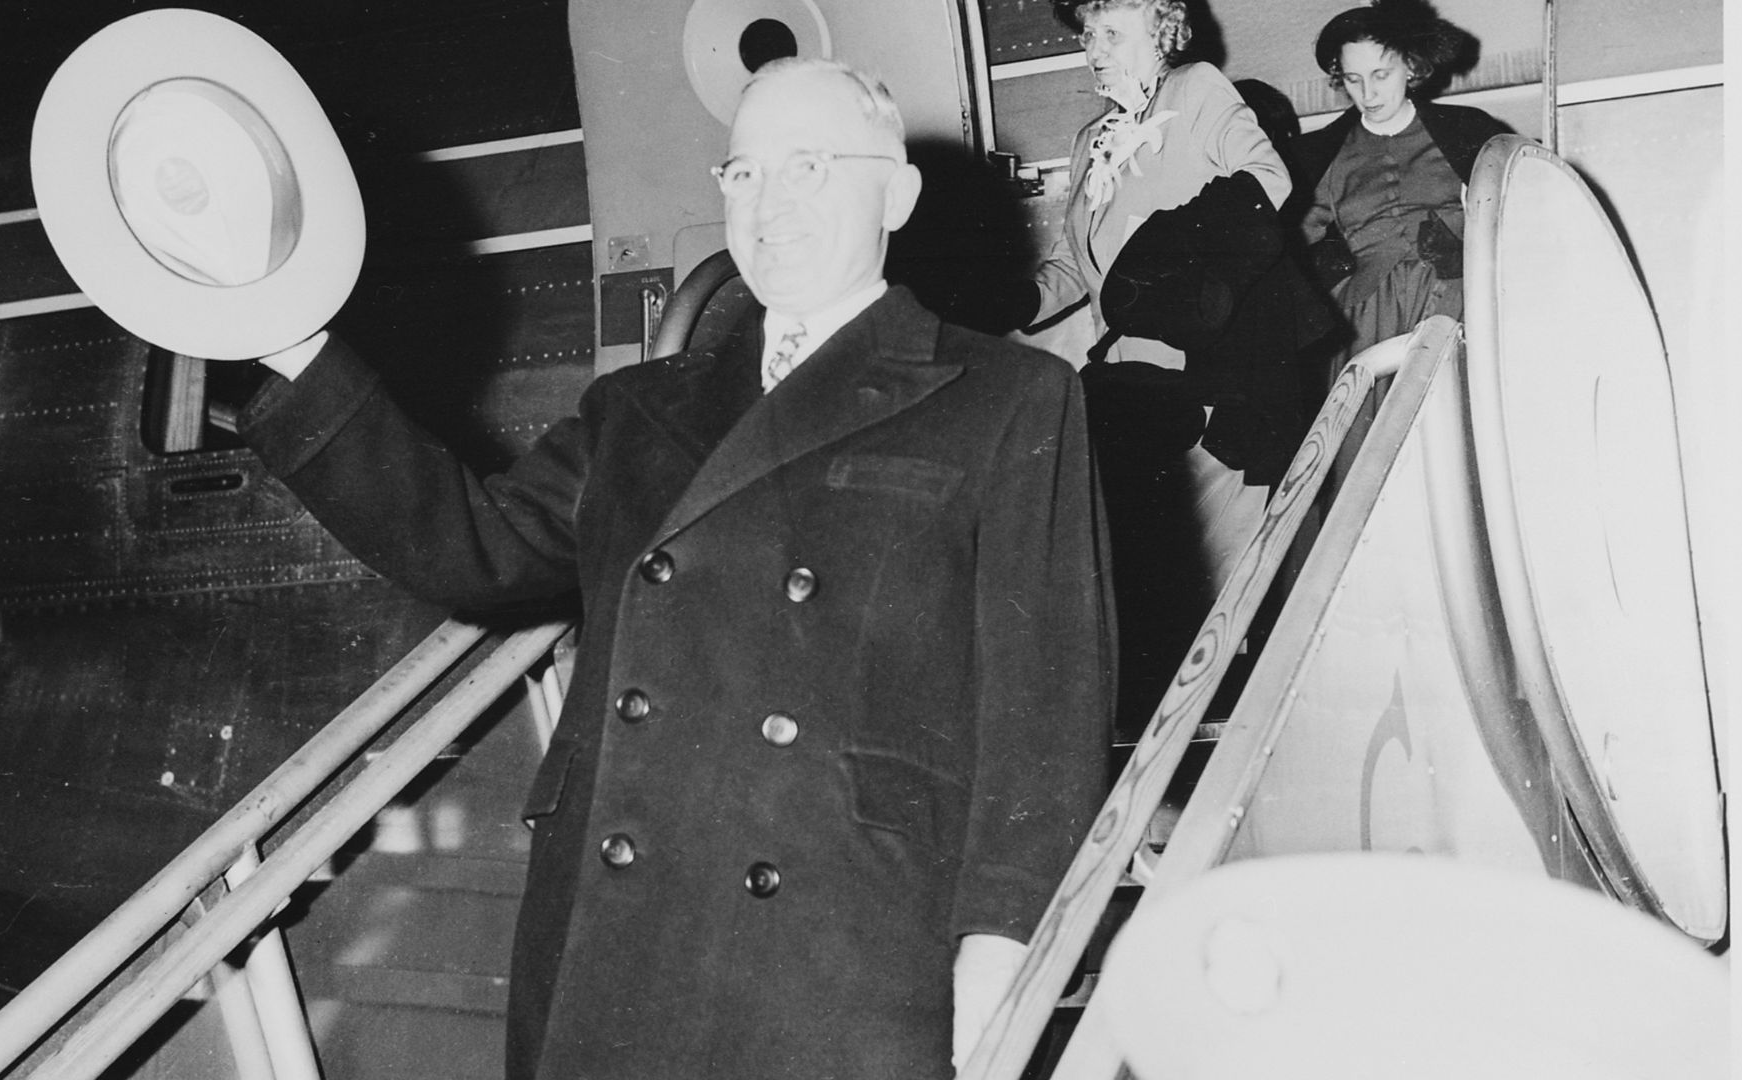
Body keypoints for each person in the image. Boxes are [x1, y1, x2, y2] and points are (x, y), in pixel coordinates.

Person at [238, 57, 1115, 1080]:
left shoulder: (1008, 397)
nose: (769, 204)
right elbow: (468, 546)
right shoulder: (640, 409)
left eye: (810, 166)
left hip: (850, 961)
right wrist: (294, 343)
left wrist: (1002, 966)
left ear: (899, 193)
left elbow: (1042, 720)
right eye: (743, 175)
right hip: (616, 948)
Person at [1012, 0, 1333, 723]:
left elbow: (1266, 181)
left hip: (1210, 373)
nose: (1093, 47)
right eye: (1088, 34)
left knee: (1219, 593)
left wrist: (1170, 262)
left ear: (1161, 34)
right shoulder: (1091, 137)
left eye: (1111, 32)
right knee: (1151, 592)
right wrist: (1005, 302)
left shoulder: (1196, 92)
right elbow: (1074, 265)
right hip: (1128, 384)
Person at [1295, 0, 1509, 480]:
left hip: (1459, 305)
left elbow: (1519, 213)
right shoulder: (1321, 156)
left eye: (1381, 74)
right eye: (1353, 79)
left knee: (1463, 460)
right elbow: (1295, 248)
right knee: (1370, 465)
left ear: (1411, 68)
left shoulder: (1470, 133)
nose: (1367, 92)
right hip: (1369, 321)